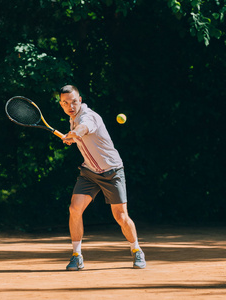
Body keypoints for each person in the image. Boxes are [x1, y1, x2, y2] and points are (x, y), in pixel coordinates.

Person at [59, 84, 146, 271]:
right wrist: (72, 136)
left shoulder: (88, 116)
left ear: (80, 100)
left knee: (121, 217)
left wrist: (74, 134)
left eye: (74, 101)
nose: (70, 106)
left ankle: (137, 250)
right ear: (61, 105)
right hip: (89, 173)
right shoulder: (72, 119)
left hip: (112, 171)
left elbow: (85, 128)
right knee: (74, 209)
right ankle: (76, 256)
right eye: (65, 103)